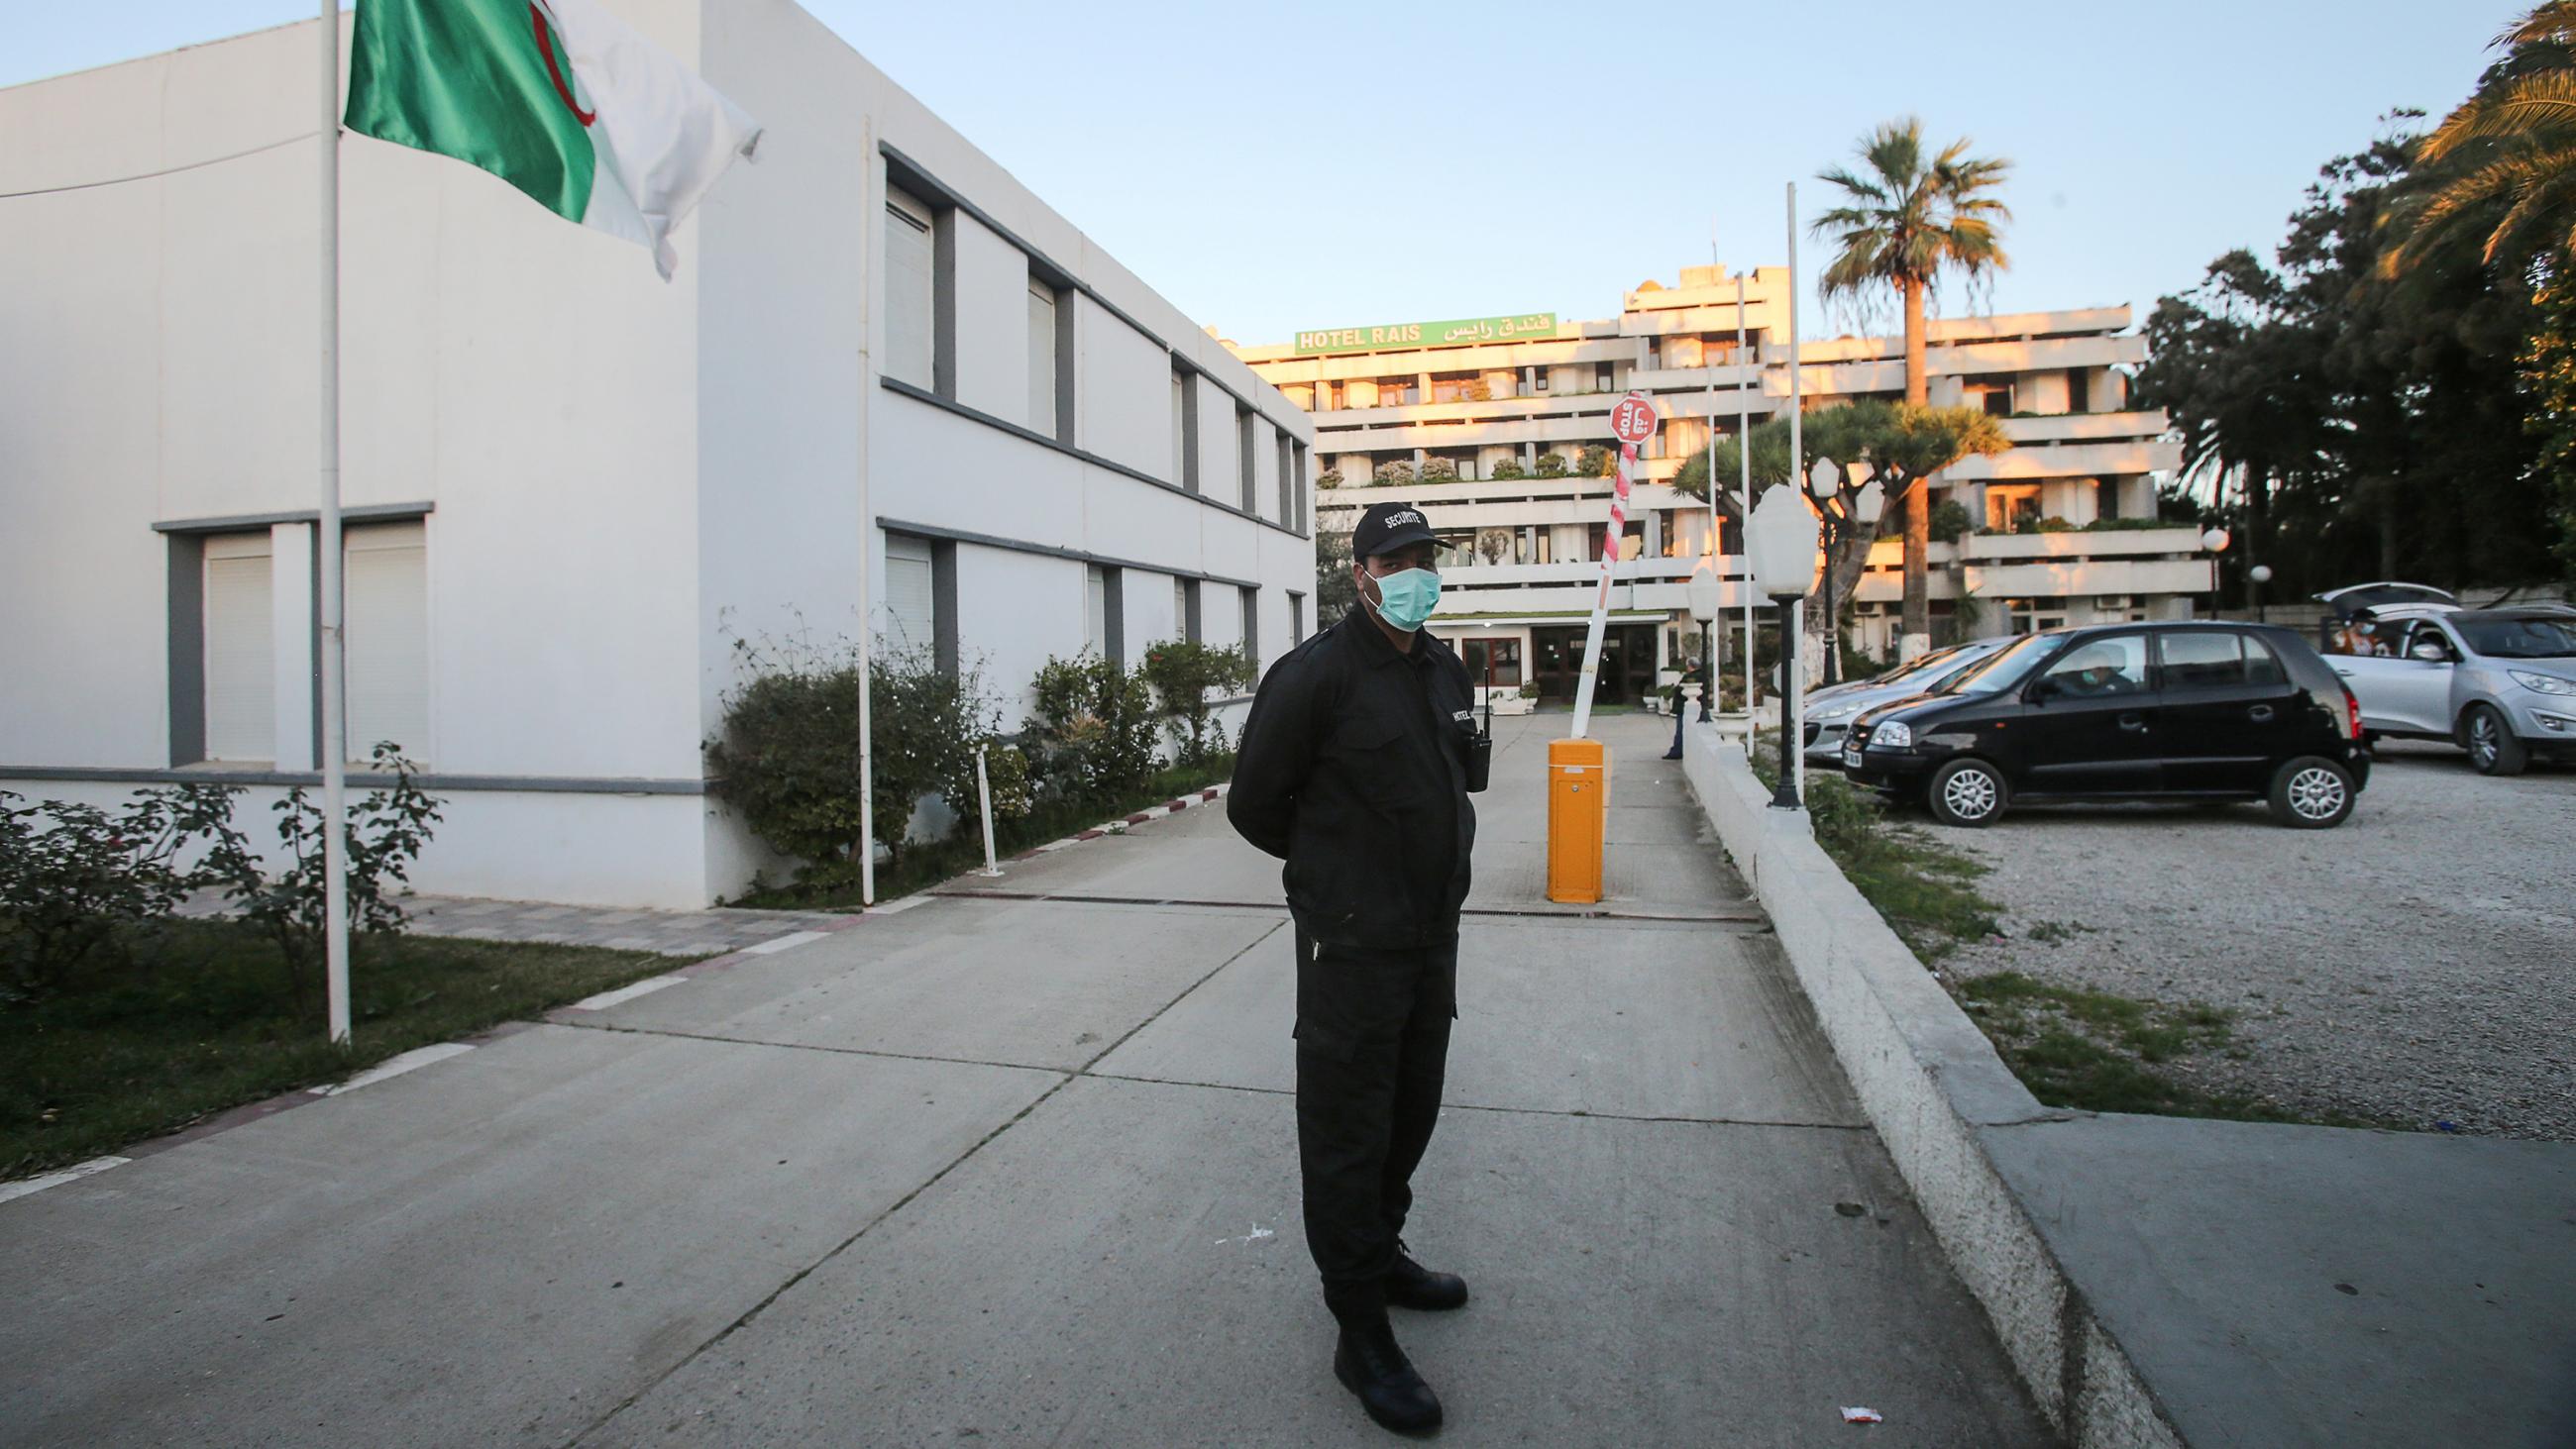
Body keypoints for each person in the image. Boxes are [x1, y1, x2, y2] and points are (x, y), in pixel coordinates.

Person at [1227, 500, 1480, 1437]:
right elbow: (1254, 806)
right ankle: (1358, 1328)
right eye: (1400, 557)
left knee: (1411, 1110)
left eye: (1427, 556)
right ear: (1363, 572)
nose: (1418, 571)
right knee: (1345, 1130)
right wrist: (1336, 874)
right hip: (1351, 947)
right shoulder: (1315, 676)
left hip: (1430, 941)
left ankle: (1385, 1254)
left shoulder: (1443, 664)